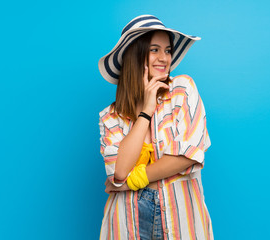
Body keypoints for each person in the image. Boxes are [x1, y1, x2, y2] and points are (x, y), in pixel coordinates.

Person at [98, 15, 213, 240]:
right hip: (126, 222)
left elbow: (188, 155)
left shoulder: (182, 90)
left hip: (181, 221)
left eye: (168, 50)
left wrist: (133, 180)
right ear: (135, 55)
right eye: (154, 50)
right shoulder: (111, 116)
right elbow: (119, 173)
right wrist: (145, 111)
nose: (164, 58)